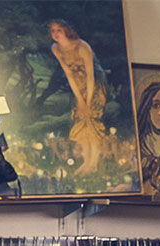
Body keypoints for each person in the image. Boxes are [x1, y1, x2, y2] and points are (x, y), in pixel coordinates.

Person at [48, 19, 107, 175]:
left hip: (94, 85)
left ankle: (93, 163)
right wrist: (80, 100)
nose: (55, 34)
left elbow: (90, 77)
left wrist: (87, 103)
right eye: (52, 31)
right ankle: (86, 161)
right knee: (81, 122)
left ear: (66, 30)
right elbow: (68, 74)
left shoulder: (82, 47)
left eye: (58, 30)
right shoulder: (56, 48)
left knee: (92, 121)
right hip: (78, 86)